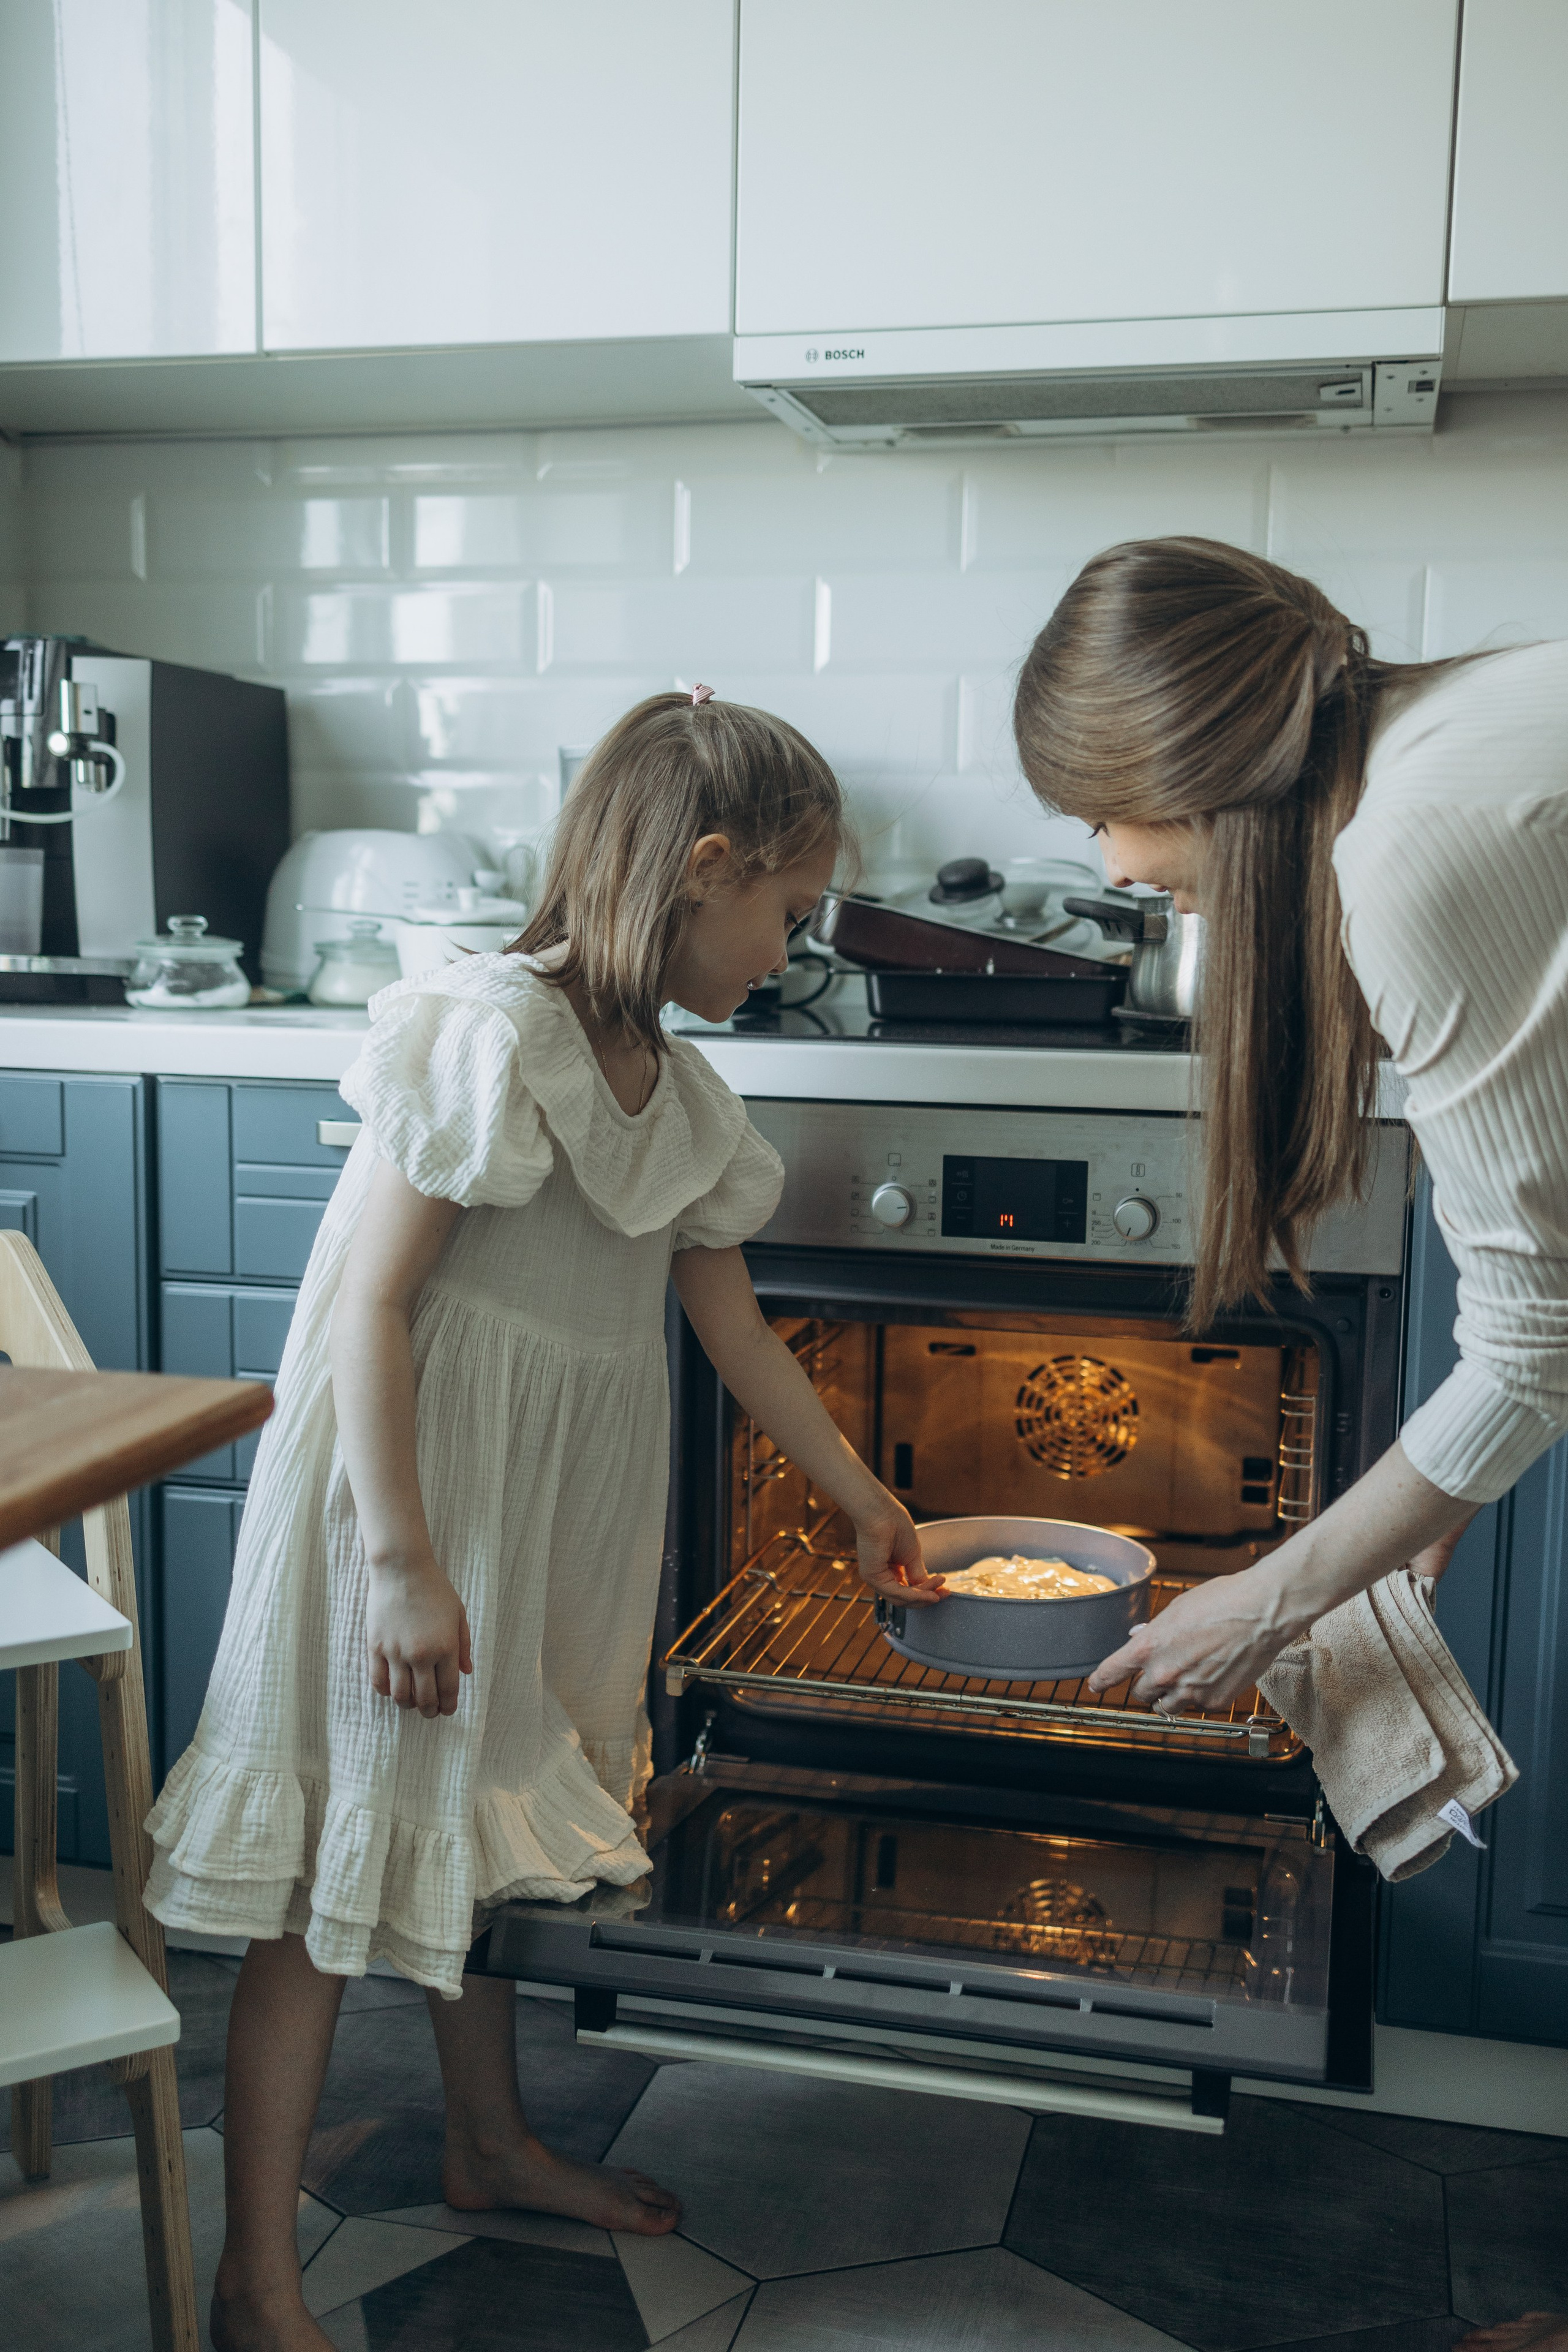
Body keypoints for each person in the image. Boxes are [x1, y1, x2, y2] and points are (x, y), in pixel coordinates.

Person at [148, 687, 944, 2352]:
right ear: (703, 868)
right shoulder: (486, 1032)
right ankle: (253, 2276)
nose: (791, 949)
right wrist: (400, 1562)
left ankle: (492, 2145)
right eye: (788, 910)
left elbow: (736, 1331)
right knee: (325, 1869)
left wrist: (868, 1498)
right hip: (406, 1506)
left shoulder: (686, 1095)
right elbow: (371, 1307)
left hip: (549, 1515)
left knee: (483, 1814)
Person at [1014, 542, 1568, 2352]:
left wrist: (1270, 1594)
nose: (1109, 866)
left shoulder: (1412, 844)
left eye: (1103, 815)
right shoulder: (1447, 732)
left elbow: (1540, 1336)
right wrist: (1430, 1509)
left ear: (1196, 777)